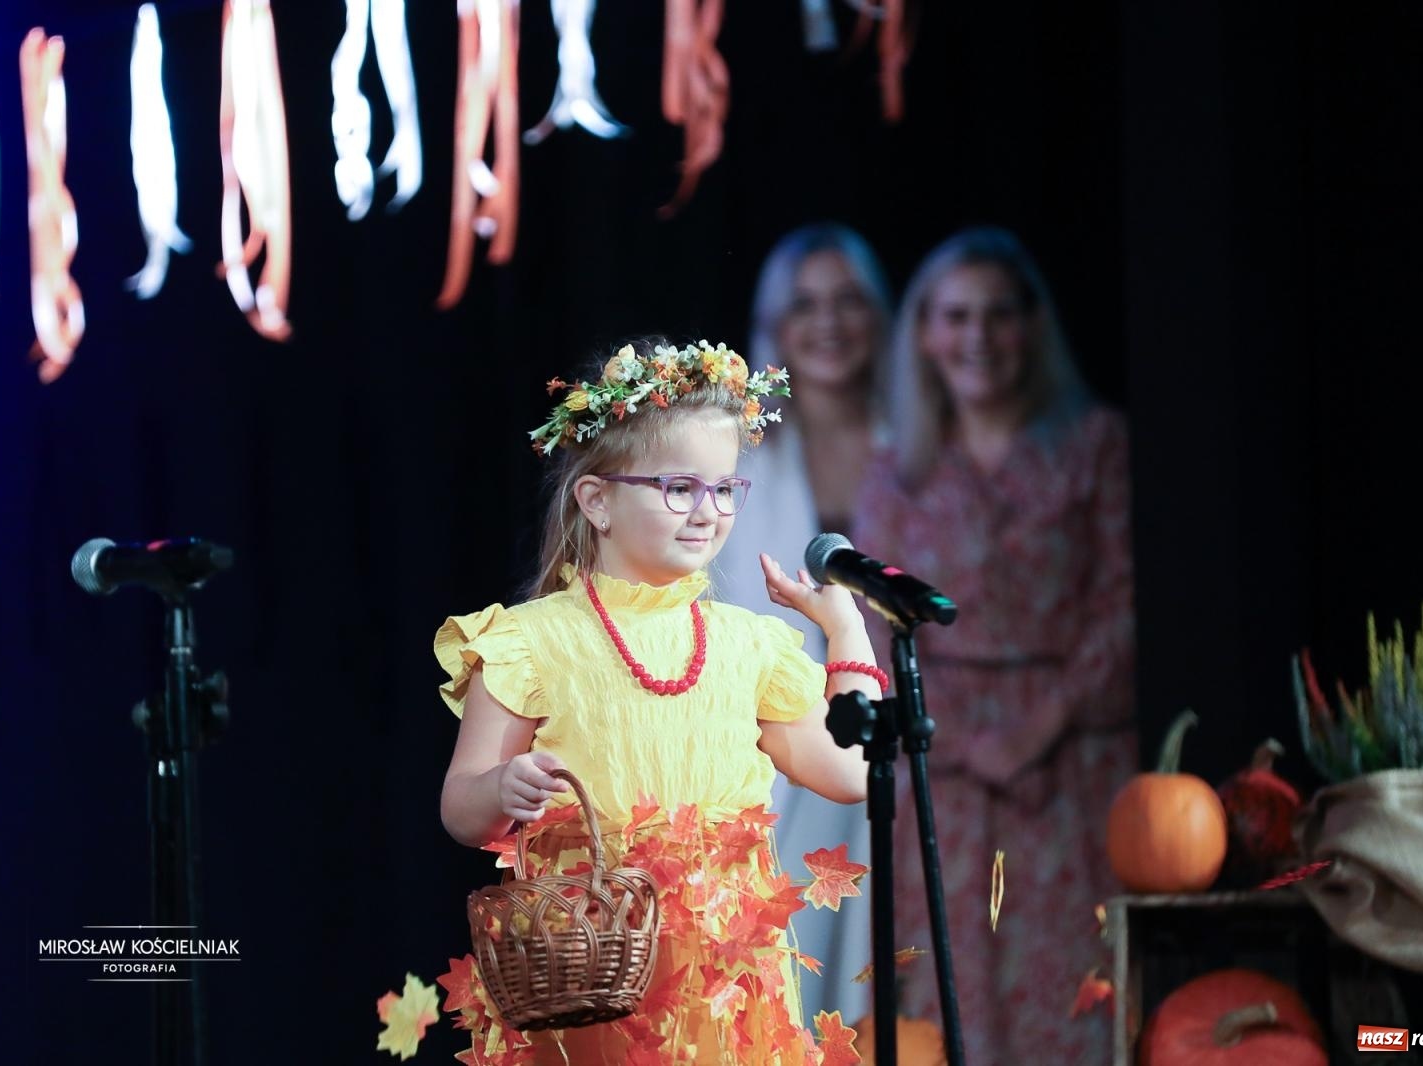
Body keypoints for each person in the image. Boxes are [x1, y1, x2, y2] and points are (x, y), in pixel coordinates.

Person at [433, 338, 884, 1064]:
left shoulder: (749, 646)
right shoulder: (531, 641)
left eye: (725, 489)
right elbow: (460, 806)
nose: (707, 511)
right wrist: (498, 786)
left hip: (725, 990)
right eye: (679, 487)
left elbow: (856, 770)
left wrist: (845, 629)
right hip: (592, 981)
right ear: (598, 501)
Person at [851, 228, 1136, 1063]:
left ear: (1032, 326)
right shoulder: (896, 467)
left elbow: (1124, 602)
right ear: (926, 335)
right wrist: (952, 735)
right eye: (956, 317)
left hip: (1072, 764)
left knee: (1081, 984)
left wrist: (1041, 724)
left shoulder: (1096, 445)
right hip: (944, 769)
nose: (978, 338)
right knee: (951, 991)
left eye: (999, 315)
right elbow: (872, 617)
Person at [713, 223, 892, 1027]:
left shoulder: (916, 443)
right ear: (774, 326)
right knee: (786, 972)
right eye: (805, 304)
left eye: (848, 300)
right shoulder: (737, 460)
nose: (828, 322)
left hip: (904, 731)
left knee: (889, 972)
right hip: (779, 748)